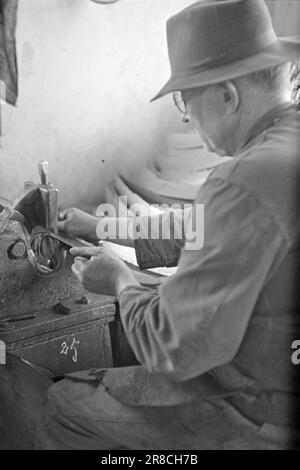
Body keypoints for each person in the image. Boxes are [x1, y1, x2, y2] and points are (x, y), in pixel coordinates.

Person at [36, 0, 300, 449]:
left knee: (64, 406)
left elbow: (173, 349)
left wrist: (120, 282)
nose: (185, 116)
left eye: (185, 99)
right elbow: (205, 225)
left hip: (263, 410)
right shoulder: (284, 146)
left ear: (227, 96)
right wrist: (101, 227)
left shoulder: (244, 179)